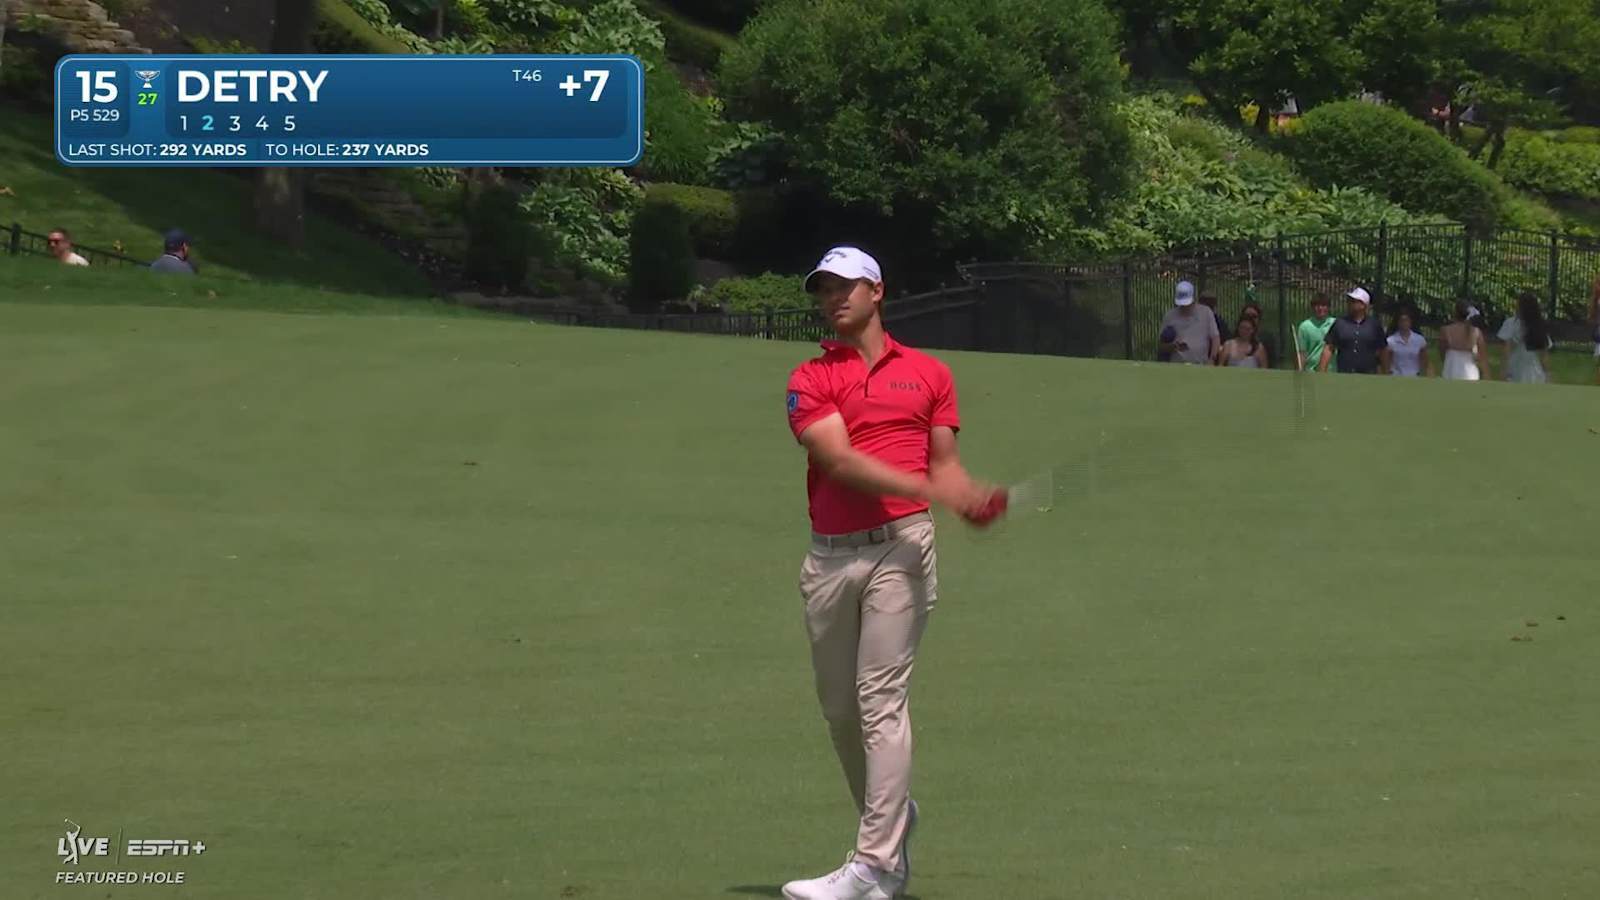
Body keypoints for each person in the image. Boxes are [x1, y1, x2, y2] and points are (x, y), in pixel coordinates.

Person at [782, 245, 1004, 900]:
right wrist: (932, 488)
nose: (832, 298)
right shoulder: (809, 377)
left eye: (844, 286)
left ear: (877, 291)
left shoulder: (930, 374)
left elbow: (945, 464)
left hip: (901, 548)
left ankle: (874, 864)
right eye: (823, 289)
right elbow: (840, 461)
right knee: (840, 711)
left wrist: (965, 494)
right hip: (830, 556)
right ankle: (893, 818)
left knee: (880, 698)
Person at [1318, 287, 1387, 374]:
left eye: (1354, 301)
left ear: (1363, 305)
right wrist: (1322, 372)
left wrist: (1386, 372)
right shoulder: (1340, 323)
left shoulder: (1374, 325)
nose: (1350, 303)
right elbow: (1328, 348)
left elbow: (1383, 350)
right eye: (1350, 301)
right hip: (1345, 374)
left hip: (1368, 375)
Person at [1158, 281, 1220, 365]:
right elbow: (1161, 346)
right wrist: (1172, 346)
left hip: (1200, 364)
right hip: (1176, 365)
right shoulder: (1169, 316)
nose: (1184, 306)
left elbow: (1215, 338)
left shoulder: (1206, 312)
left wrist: (1212, 359)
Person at [1498, 290, 1553, 384]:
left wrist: (1503, 371)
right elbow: (1544, 355)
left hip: (1515, 369)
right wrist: (1547, 374)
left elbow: (1506, 351)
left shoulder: (1511, 324)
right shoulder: (1539, 326)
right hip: (1535, 372)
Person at [1439, 301, 1489, 381]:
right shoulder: (1476, 331)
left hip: (1451, 364)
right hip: (1469, 368)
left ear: (1455, 313)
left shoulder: (1446, 330)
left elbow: (1442, 351)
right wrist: (1486, 373)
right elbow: (1482, 356)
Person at [1382, 309, 1431, 376]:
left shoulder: (1419, 340)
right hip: (1396, 376)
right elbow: (1386, 363)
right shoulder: (1390, 341)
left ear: (1410, 322)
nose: (1404, 323)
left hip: (1414, 376)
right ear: (1398, 322)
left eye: (1406, 320)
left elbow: (1426, 362)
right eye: (1402, 321)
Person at [1295, 293, 1335, 372]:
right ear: (1312, 307)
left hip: (1332, 372)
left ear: (1328, 307)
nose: (1320, 308)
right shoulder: (1305, 326)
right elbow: (1302, 352)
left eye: (1323, 305)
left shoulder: (1335, 324)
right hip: (1311, 371)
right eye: (1317, 305)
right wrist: (1300, 371)